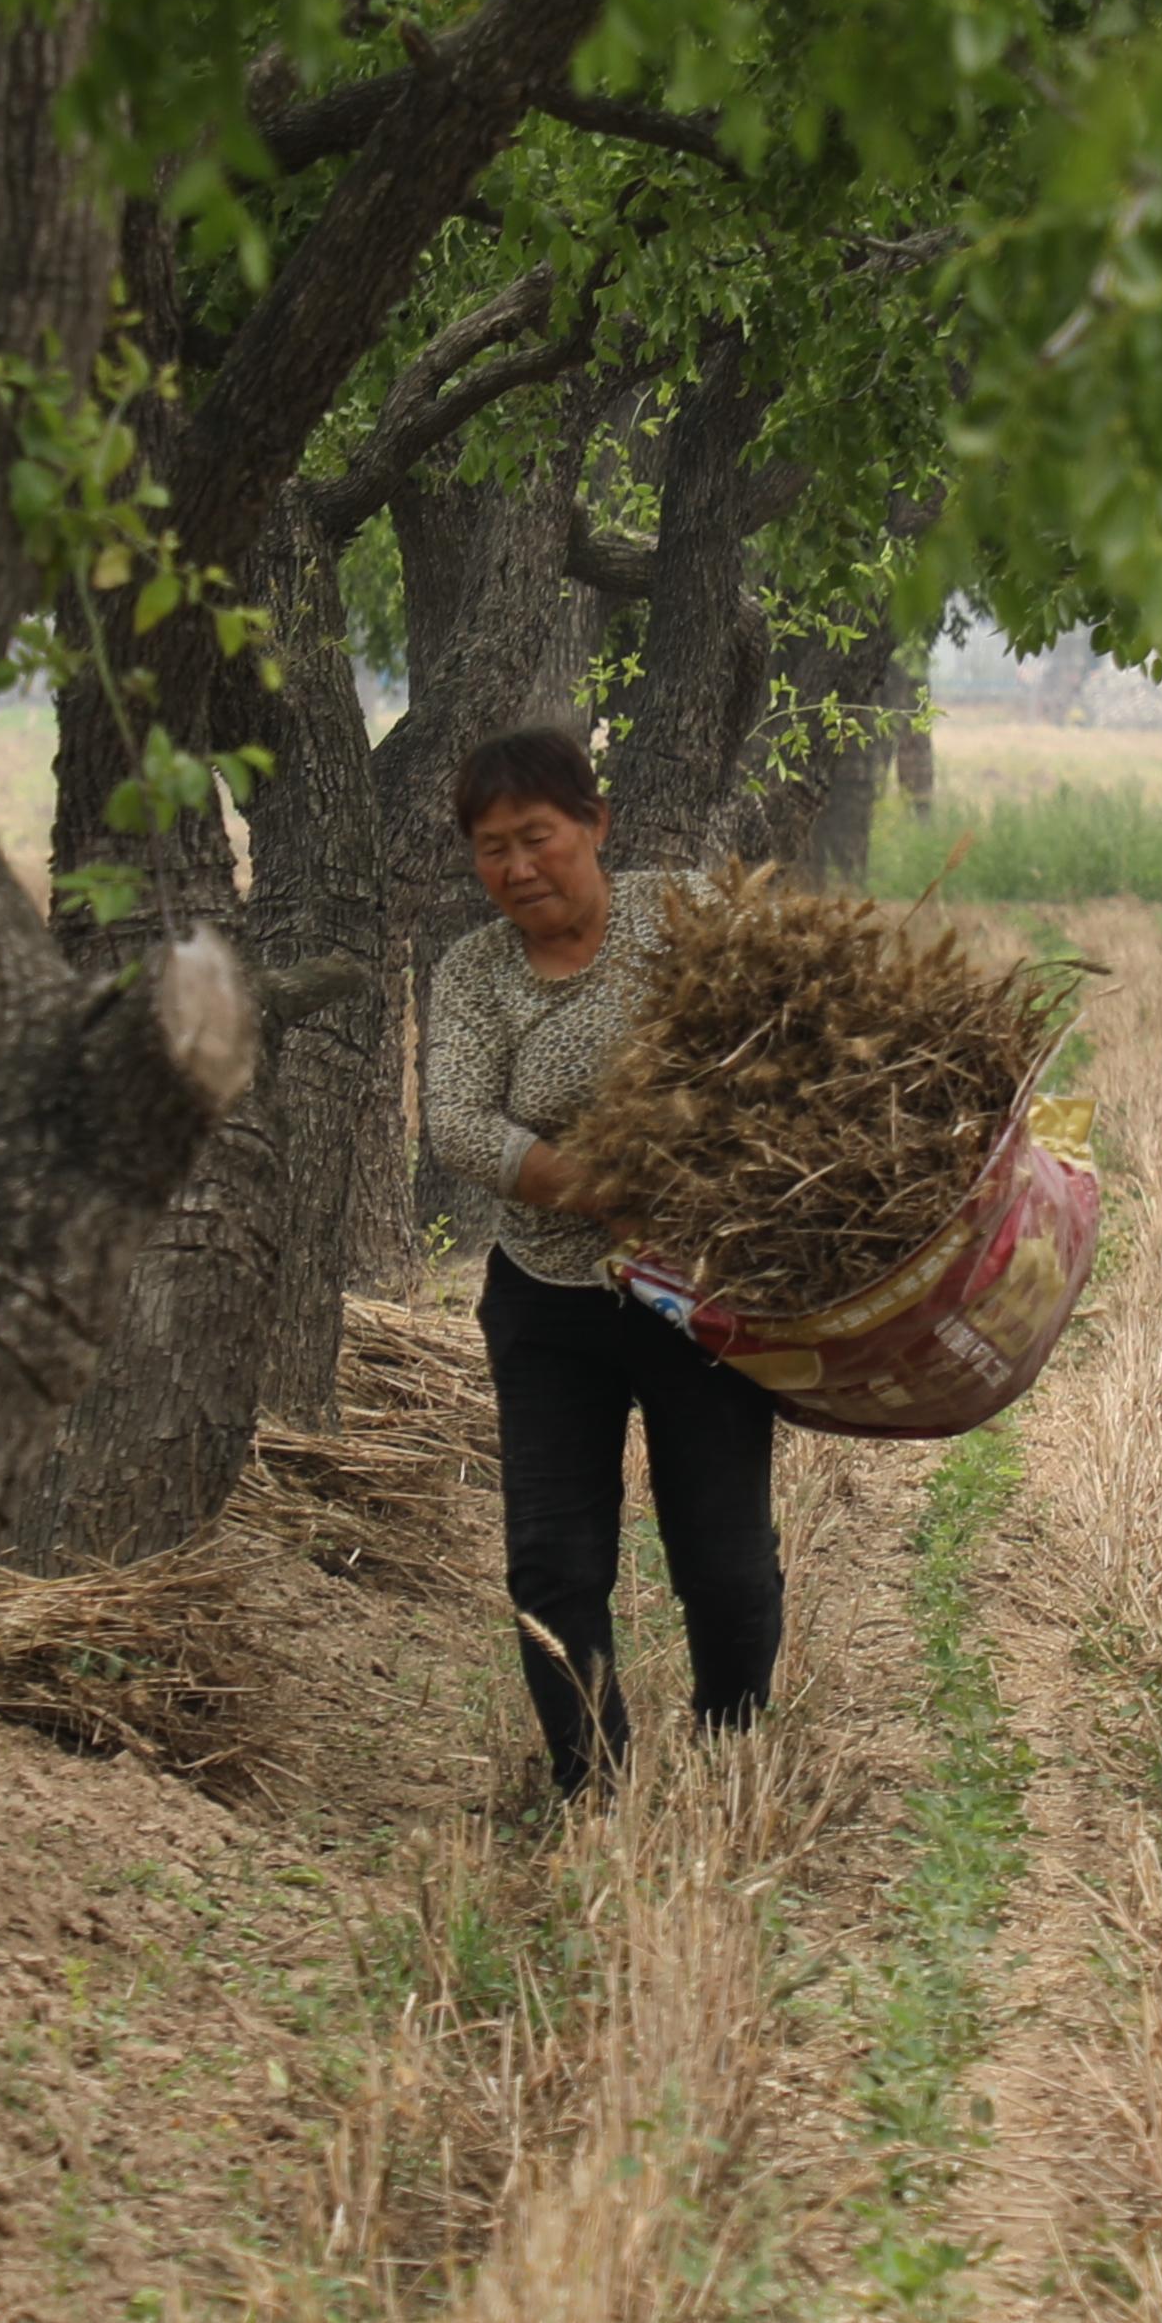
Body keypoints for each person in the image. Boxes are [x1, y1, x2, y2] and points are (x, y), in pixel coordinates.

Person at [422, 724, 785, 1793]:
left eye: (539, 836)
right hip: (547, 1303)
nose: (518, 867)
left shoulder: (687, 919)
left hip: (696, 1296)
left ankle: (730, 1762)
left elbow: (786, 1031)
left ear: (596, 824)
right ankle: (592, 1783)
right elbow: (456, 1121)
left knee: (720, 1556)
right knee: (552, 1562)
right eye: (492, 848)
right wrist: (605, 1189)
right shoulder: (476, 973)